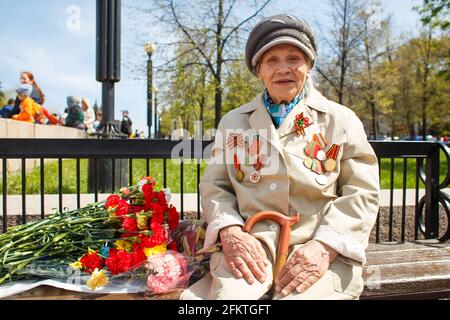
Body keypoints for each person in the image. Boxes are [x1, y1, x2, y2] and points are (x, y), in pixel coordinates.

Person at [180, 14, 380, 300]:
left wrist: (325, 247)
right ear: (258, 69)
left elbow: (362, 191)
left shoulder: (341, 120)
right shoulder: (234, 122)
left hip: (319, 249)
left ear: (308, 67)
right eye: (271, 60)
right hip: (250, 250)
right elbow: (216, 187)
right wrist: (232, 233)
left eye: (294, 58)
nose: (283, 68)